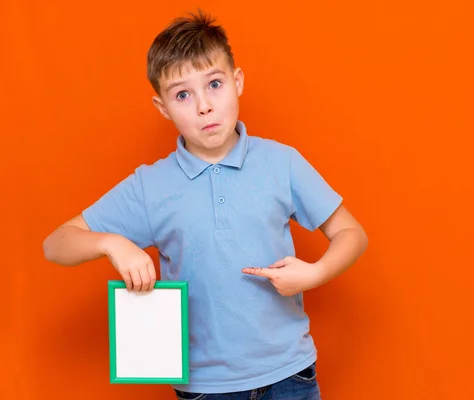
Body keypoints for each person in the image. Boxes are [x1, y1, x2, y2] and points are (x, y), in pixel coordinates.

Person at [43, 9, 368, 400]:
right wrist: (111, 243)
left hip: (290, 376)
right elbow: (55, 244)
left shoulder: (282, 163)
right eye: (183, 94)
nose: (204, 106)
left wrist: (314, 274)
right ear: (162, 107)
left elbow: (352, 233)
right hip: (205, 390)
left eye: (214, 84)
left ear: (237, 81)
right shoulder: (151, 186)